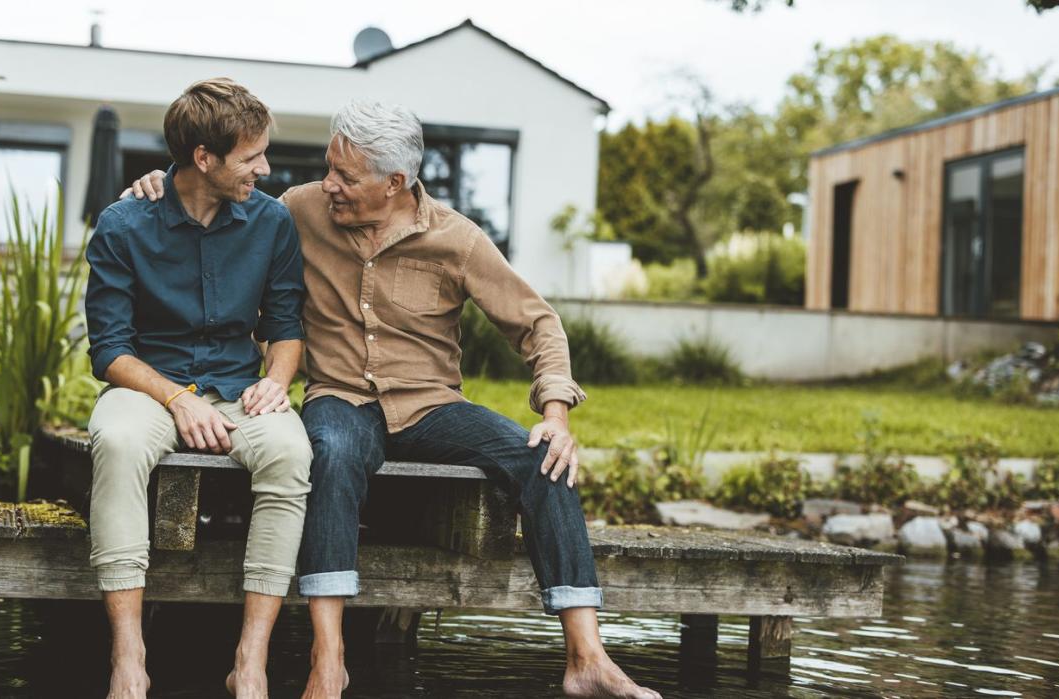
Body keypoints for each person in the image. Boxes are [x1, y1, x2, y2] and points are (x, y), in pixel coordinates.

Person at [129, 100, 661, 699]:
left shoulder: (456, 239)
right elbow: (215, 201)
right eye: (330, 168)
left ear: (395, 183)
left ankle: (586, 658)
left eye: (345, 177)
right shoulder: (297, 212)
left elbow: (537, 324)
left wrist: (556, 414)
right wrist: (158, 183)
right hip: (341, 398)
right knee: (327, 451)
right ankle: (328, 661)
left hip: (432, 407)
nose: (328, 184)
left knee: (546, 460)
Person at [87, 77, 312, 699]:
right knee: (118, 441)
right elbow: (109, 350)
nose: (265, 169)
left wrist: (276, 380)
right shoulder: (124, 223)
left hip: (241, 386)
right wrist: (177, 398)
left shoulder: (270, 223)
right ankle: (129, 658)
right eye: (251, 157)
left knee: (291, 454)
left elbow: (287, 326)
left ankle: (251, 660)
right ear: (203, 158)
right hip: (150, 385)